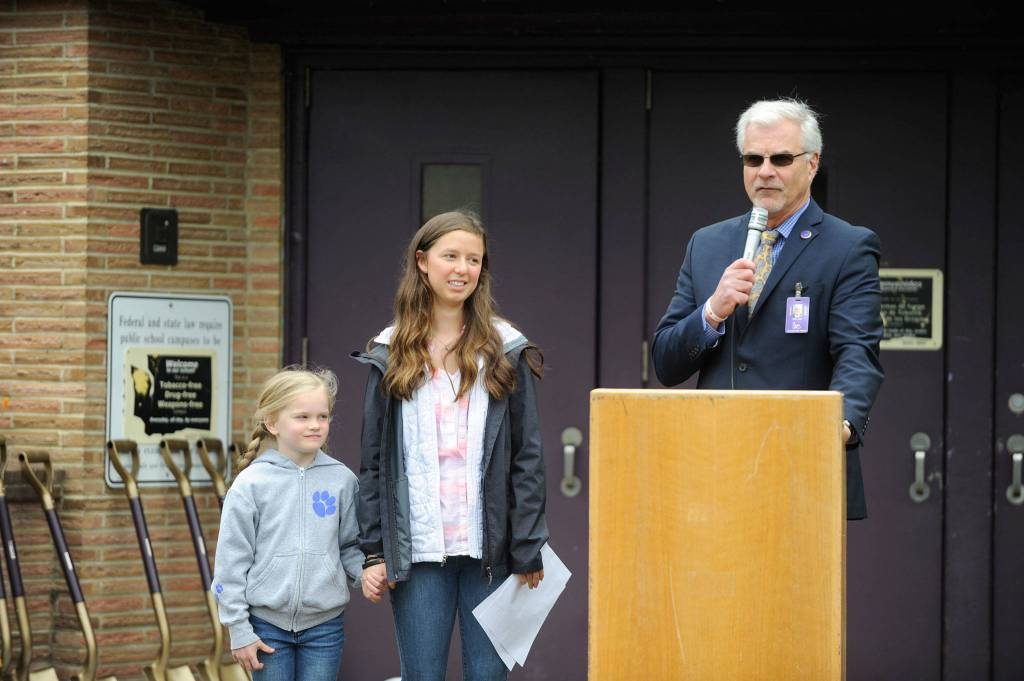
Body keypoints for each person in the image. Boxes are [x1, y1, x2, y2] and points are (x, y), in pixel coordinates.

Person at [651, 98, 884, 519]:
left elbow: (857, 353)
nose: (765, 171)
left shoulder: (848, 247)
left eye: (780, 158)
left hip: (802, 466)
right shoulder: (707, 244)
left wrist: (840, 425)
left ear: (812, 164)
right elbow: (666, 364)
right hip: (715, 467)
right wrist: (711, 312)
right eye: (753, 158)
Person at [354, 210, 548, 680]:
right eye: (450, 256)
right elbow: (374, 462)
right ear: (422, 262)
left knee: (488, 676)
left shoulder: (505, 348)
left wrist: (527, 544)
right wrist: (374, 550)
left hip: (492, 552)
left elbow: (527, 455)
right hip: (418, 553)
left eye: (474, 260)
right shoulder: (390, 350)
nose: (462, 269)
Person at [212, 366, 366, 680]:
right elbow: (230, 564)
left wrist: (367, 573)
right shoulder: (250, 485)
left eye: (322, 417)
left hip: (324, 628)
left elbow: (349, 546)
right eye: (302, 417)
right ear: (272, 423)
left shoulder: (342, 480)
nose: (315, 425)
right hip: (266, 628)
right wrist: (238, 630)